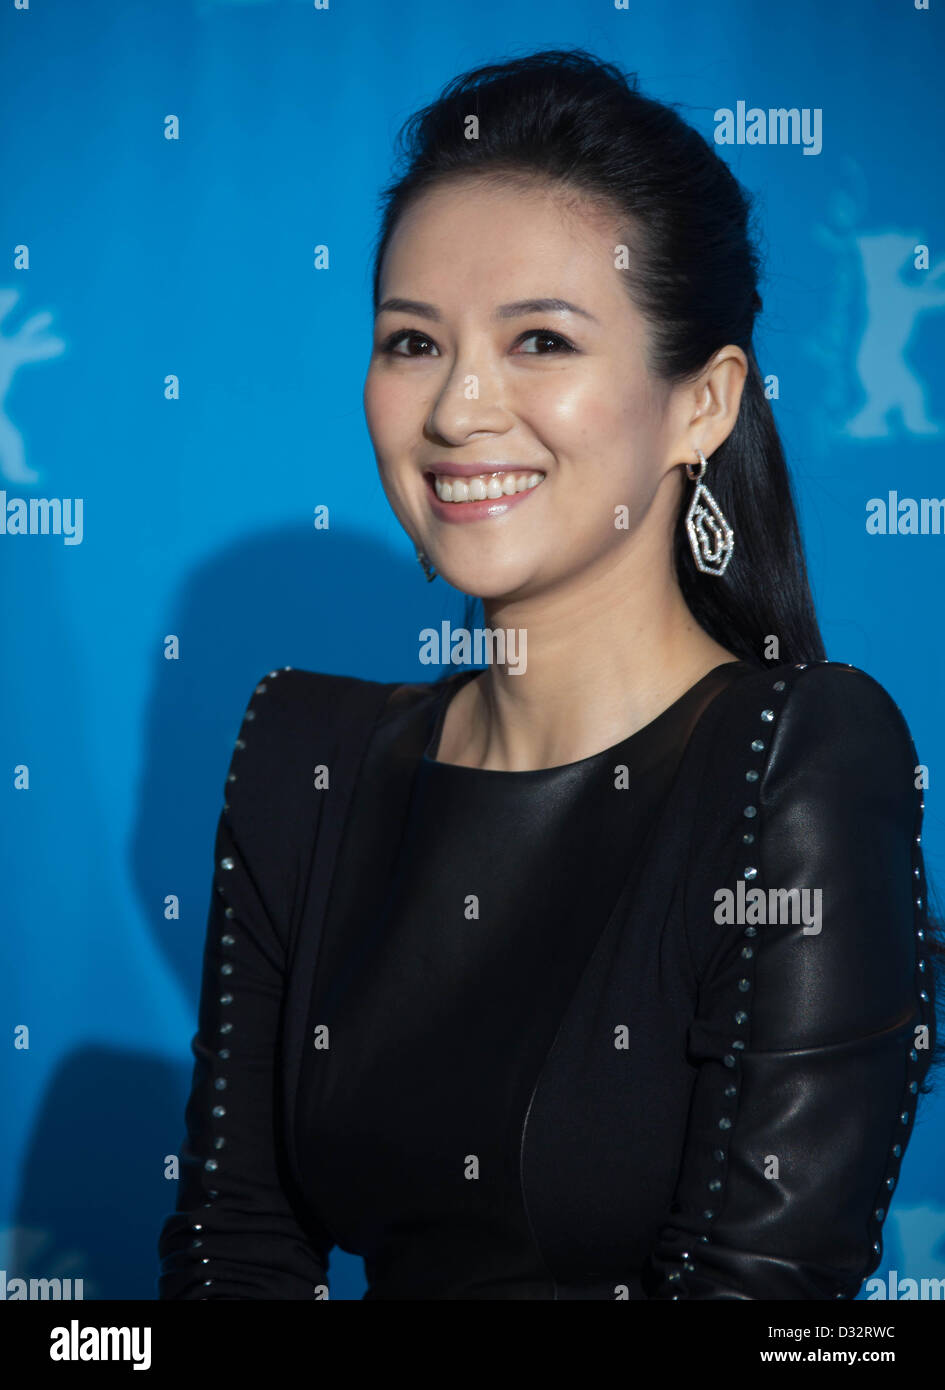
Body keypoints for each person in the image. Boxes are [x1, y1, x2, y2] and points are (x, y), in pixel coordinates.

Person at [158, 49, 943, 1300]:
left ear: (703, 404)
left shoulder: (793, 768)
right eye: (414, 341)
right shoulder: (307, 756)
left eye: (539, 339)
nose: (461, 407)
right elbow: (233, 1246)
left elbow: (757, 1299)